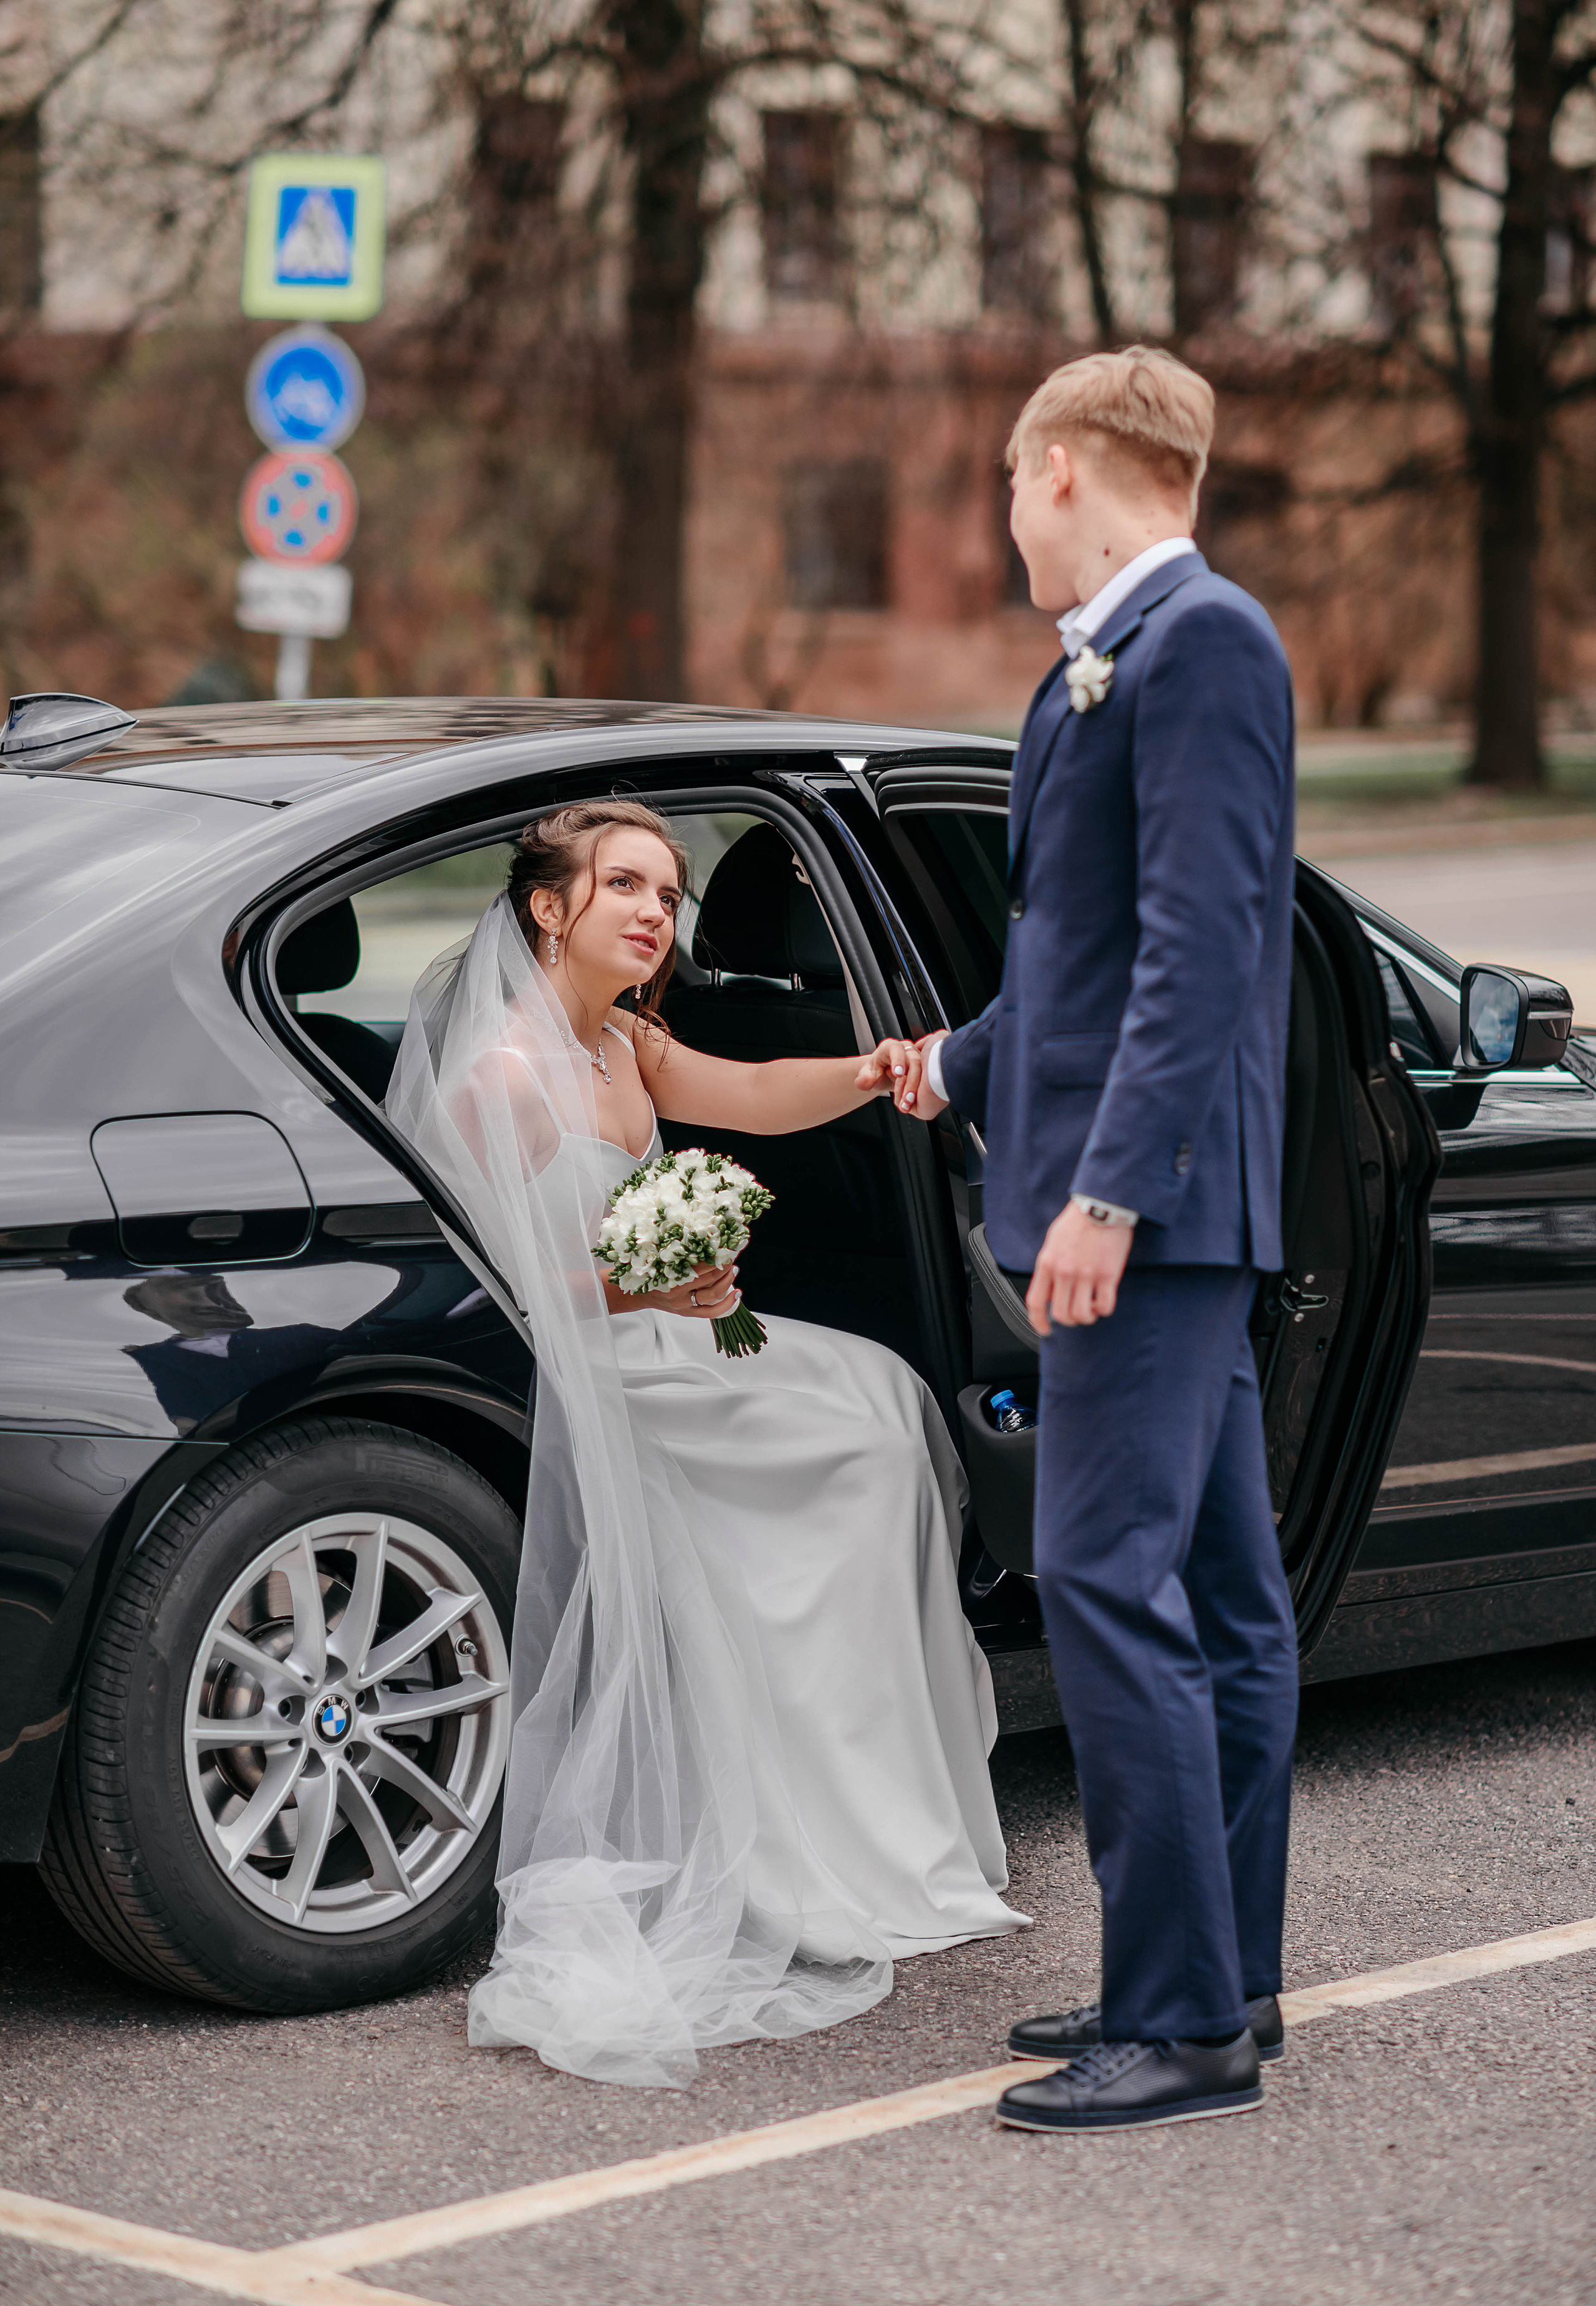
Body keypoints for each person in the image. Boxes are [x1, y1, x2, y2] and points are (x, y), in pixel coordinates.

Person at [385, 799, 1026, 2090]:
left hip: (670, 1335)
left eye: (667, 894)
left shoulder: (626, 1041)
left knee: (889, 1396)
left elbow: (752, 1094)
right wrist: (643, 1293)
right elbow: (493, 1289)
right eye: (621, 885)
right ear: (545, 909)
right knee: (855, 1453)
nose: (651, 912)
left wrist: (881, 1066)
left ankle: (877, 1796)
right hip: (594, 1372)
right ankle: (811, 1831)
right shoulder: (499, 1075)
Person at [909, 346, 1300, 2133]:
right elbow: (1081, 940)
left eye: (1006, 486)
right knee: (1219, 1599)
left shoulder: (1201, 641)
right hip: (1149, 1192)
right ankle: (1218, 1974)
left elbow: (1206, 947)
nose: (1007, 524)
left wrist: (1108, 1191)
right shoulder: (1110, 663)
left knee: (1102, 1583)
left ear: (1062, 465)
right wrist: (951, 1065)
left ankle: (1181, 2018)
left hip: (1150, 1212)